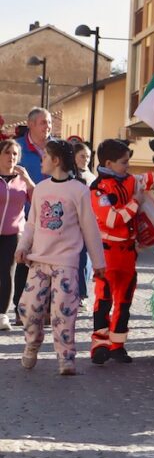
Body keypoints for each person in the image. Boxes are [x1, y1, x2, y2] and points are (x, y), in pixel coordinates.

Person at [14, 140, 105, 375]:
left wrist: (99, 263)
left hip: (66, 263)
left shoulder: (79, 190)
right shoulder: (41, 189)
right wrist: (23, 246)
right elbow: (32, 223)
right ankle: (32, 343)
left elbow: (89, 228)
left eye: (45, 157)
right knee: (28, 308)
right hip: (39, 260)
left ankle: (66, 358)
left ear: (55, 161)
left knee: (63, 311)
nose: (41, 160)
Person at [88, 139, 154, 365]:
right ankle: (99, 345)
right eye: (124, 163)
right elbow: (112, 219)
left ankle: (117, 345)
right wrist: (135, 203)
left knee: (124, 302)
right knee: (103, 301)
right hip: (107, 254)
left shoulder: (130, 180)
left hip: (128, 254)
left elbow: (147, 180)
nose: (128, 166)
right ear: (109, 163)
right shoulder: (98, 189)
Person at [12, 107, 52, 323]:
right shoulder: (16, 147)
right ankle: (20, 308)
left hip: (53, 216)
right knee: (22, 262)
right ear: (31, 124)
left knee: (47, 263)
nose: (48, 127)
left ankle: (44, 308)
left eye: (49, 123)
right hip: (23, 215)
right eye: (43, 122)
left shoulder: (57, 147)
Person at [0, 140, 34, 331]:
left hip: (13, 233)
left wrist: (28, 180)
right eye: (7, 153)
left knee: (6, 273)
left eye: (14, 154)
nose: (11, 157)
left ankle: (2, 315)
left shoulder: (21, 179)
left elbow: (38, 198)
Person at [73, 141, 95, 307]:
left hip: (88, 223)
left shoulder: (92, 177)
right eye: (82, 156)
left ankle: (82, 294)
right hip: (72, 224)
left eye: (88, 156)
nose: (86, 159)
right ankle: (76, 292)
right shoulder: (68, 176)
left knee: (85, 261)